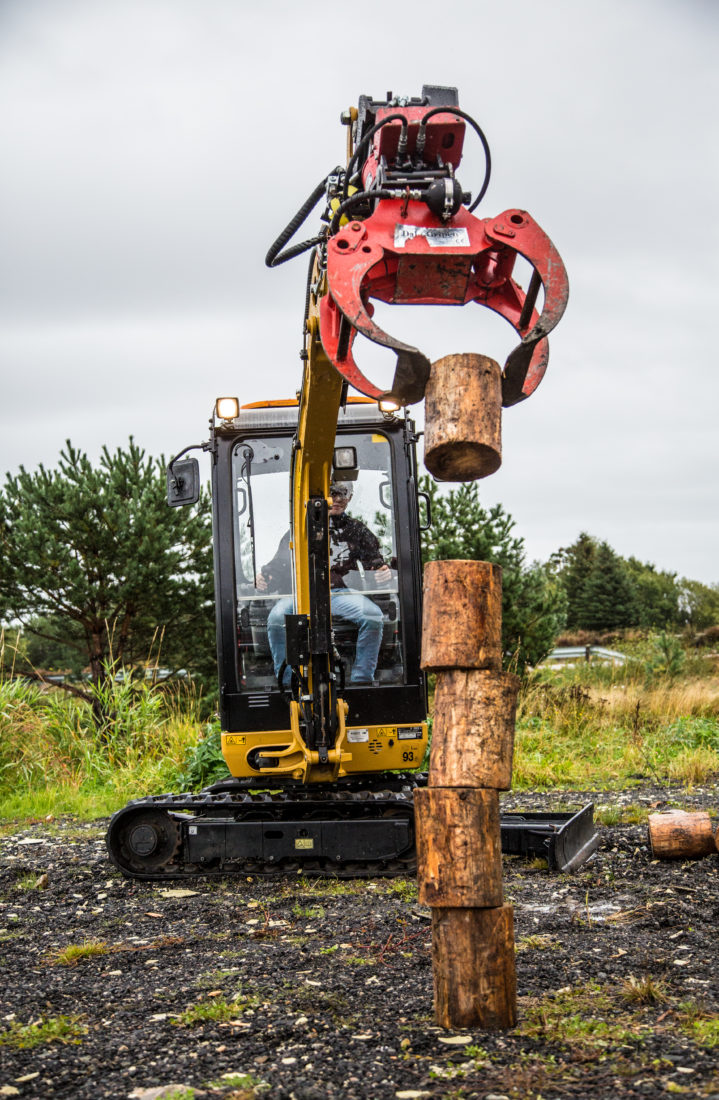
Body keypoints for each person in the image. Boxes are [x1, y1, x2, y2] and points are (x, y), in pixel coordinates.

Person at [256, 481, 392, 685]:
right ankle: (288, 683)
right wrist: (265, 578)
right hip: (302, 594)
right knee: (276, 619)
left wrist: (381, 570)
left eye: (343, 494)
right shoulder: (299, 529)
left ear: (350, 497)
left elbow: (374, 559)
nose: (337, 499)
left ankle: (361, 680)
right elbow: (279, 564)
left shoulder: (356, 530)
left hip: (338, 594)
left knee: (372, 616)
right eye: (332, 493)